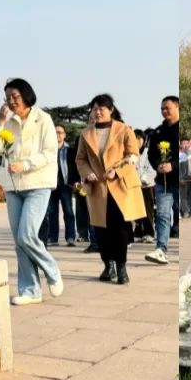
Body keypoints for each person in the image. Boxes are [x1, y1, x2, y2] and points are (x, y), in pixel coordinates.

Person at [0, 78, 64, 304]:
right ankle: (30, 290)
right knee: (19, 241)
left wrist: (26, 164)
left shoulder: (43, 119)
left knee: (26, 235)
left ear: (26, 95)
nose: (11, 101)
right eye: (7, 98)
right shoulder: (8, 123)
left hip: (37, 184)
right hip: (13, 186)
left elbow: (49, 153)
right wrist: (0, 123)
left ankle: (52, 270)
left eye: (15, 96)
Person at [76, 94, 145, 284]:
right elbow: (80, 159)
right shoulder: (85, 134)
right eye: (94, 109)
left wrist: (117, 170)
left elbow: (133, 155)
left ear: (111, 110)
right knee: (101, 229)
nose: (97, 112)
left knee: (119, 228)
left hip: (119, 185)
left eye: (101, 109)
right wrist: (87, 173)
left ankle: (122, 267)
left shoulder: (124, 129)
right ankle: (108, 265)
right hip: (98, 187)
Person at [146, 96, 180, 265]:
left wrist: (173, 165)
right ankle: (161, 249)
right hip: (163, 182)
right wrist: (158, 165)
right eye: (162, 109)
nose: (164, 111)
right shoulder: (158, 132)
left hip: (181, 180)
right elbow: (151, 154)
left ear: (177, 107)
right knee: (162, 215)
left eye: (168, 108)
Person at [47, 125, 78, 247]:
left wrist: (75, 181)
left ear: (64, 135)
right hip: (51, 185)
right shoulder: (48, 150)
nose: (58, 135)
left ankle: (70, 237)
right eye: (55, 132)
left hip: (66, 185)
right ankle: (53, 238)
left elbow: (75, 167)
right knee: (52, 213)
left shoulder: (70, 150)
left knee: (69, 212)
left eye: (60, 132)